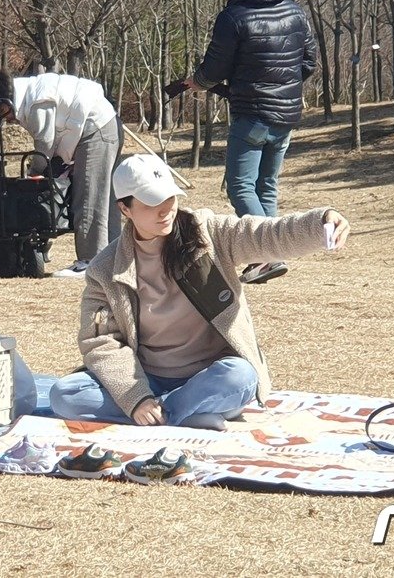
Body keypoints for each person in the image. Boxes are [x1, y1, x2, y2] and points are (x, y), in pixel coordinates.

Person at [48, 154, 349, 430]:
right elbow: (101, 342)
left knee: (241, 377)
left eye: (170, 197)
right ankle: (189, 413)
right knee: (66, 395)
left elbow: (266, 234)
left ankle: (170, 412)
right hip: (147, 377)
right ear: (124, 208)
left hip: (210, 373)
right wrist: (136, 399)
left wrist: (320, 221)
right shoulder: (104, 269)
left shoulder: (208, 232)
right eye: (152, 202)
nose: (165, 209)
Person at [183, 0, 318, 285]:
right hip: (285, 116)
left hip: (252, 115)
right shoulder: (295, 11)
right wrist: (282, 86)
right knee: (266, 186)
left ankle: (267, 255)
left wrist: (197, 83)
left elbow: (215, 68)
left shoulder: (234, 17)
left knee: (240, 186)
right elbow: (309, 63)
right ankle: (270, 255)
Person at [0, 70, 121, 278]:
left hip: (95, 127)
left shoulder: (37, 100)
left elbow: (45, 143)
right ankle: (113, 260)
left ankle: (90, 261)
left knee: (89, 196)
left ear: (7, 99)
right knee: (106, 197)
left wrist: (34, 172)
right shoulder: (31, 92)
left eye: (0, 109)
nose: (4, 117)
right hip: (105, 123)